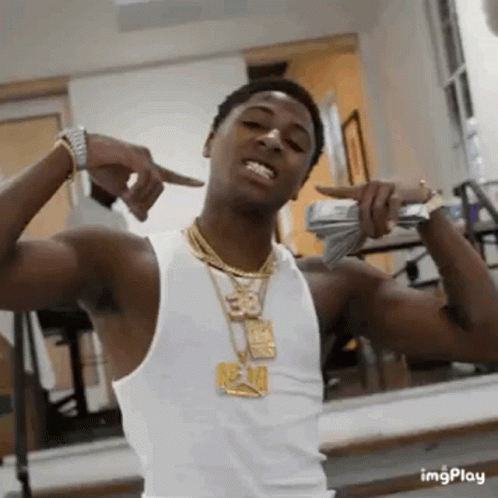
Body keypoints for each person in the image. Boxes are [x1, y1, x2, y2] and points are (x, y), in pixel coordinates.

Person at [1, 78, 498, 498]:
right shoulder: (125, 267)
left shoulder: (331, 286)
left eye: (296, 143)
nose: (274, 140)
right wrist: (70, 153)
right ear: (209, 141)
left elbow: (485, 338)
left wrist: (429, 211)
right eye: (255, 124)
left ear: (300, 182)